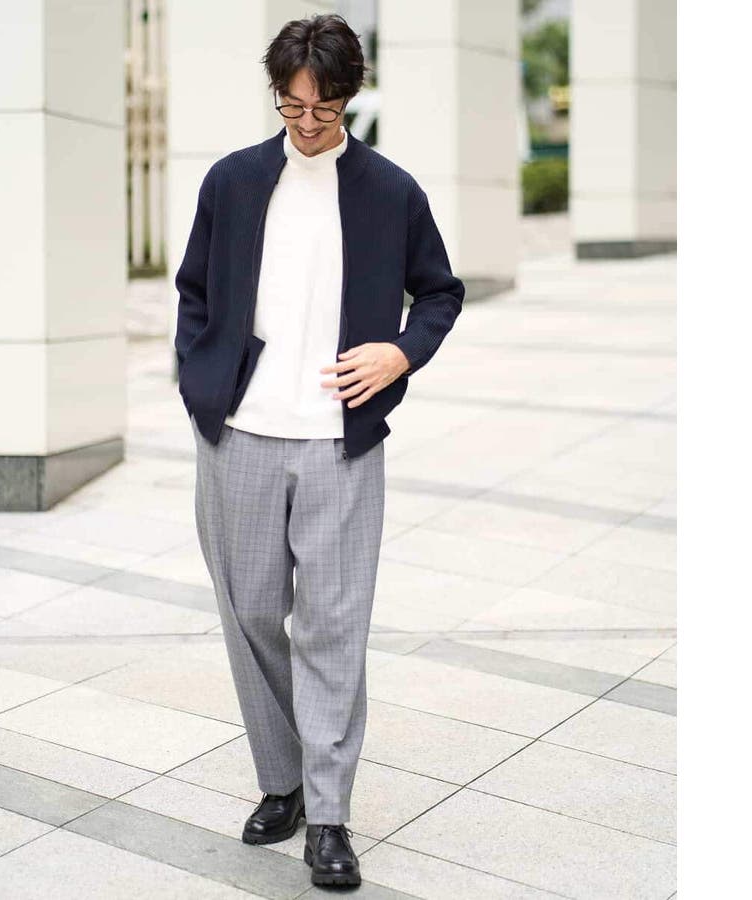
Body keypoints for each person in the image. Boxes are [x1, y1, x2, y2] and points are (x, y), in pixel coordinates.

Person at [174, 13, 464, 888]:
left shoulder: (390, 191)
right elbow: (194, 291)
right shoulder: (233, 182)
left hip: (341, 442)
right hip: (242, 435)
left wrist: (401, 352)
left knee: (334, 627)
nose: (307, 123)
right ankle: (283, 781)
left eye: (325, 109)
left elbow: (440, 293)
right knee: (252, 613)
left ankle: (329, 817)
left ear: (349, 99)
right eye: (292, 105)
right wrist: (203, 383)